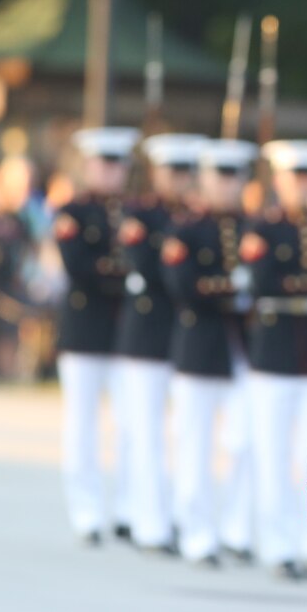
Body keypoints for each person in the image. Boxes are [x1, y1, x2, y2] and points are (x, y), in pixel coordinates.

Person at [241, 138, 307, 577]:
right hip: (274, 352)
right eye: (295, 177)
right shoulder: (263, 229)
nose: (303, 185)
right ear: (280, 181)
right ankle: (277, 544)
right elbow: (261, 282)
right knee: (272, 453)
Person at [162, 138, 258, 565]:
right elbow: (182, 286)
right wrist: (233, 289)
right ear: (204, 179)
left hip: (245, 349)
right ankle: (197, 534)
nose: (229, 184)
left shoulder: (253, 229)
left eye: (235, 175)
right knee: (195, 446)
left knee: (243, 443)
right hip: (200, 347)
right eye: (221, 175)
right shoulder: (186, 229)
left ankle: (237, 529)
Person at [113, 132, 205, 553]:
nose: (181, 179)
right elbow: (148, 268)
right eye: (173, 170)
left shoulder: (197, 219)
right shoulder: (140, 216)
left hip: (186, 332)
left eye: (187, 170)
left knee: (186, 434)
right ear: (155, 172)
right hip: (148, 332)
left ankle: (181, 518)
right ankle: (148, 521)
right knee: (146, 432)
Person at [53, 126, 140, 545]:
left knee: (129, 423)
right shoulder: (73, 212)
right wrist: (126, 273)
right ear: (89, 166)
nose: (111, 173)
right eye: (104, 164)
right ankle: (86, 510)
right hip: (85, 330)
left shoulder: (134, 212)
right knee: (83, 425)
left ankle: (126, 507)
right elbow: (79, 266)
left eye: (118, 164)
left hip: (125, 330)